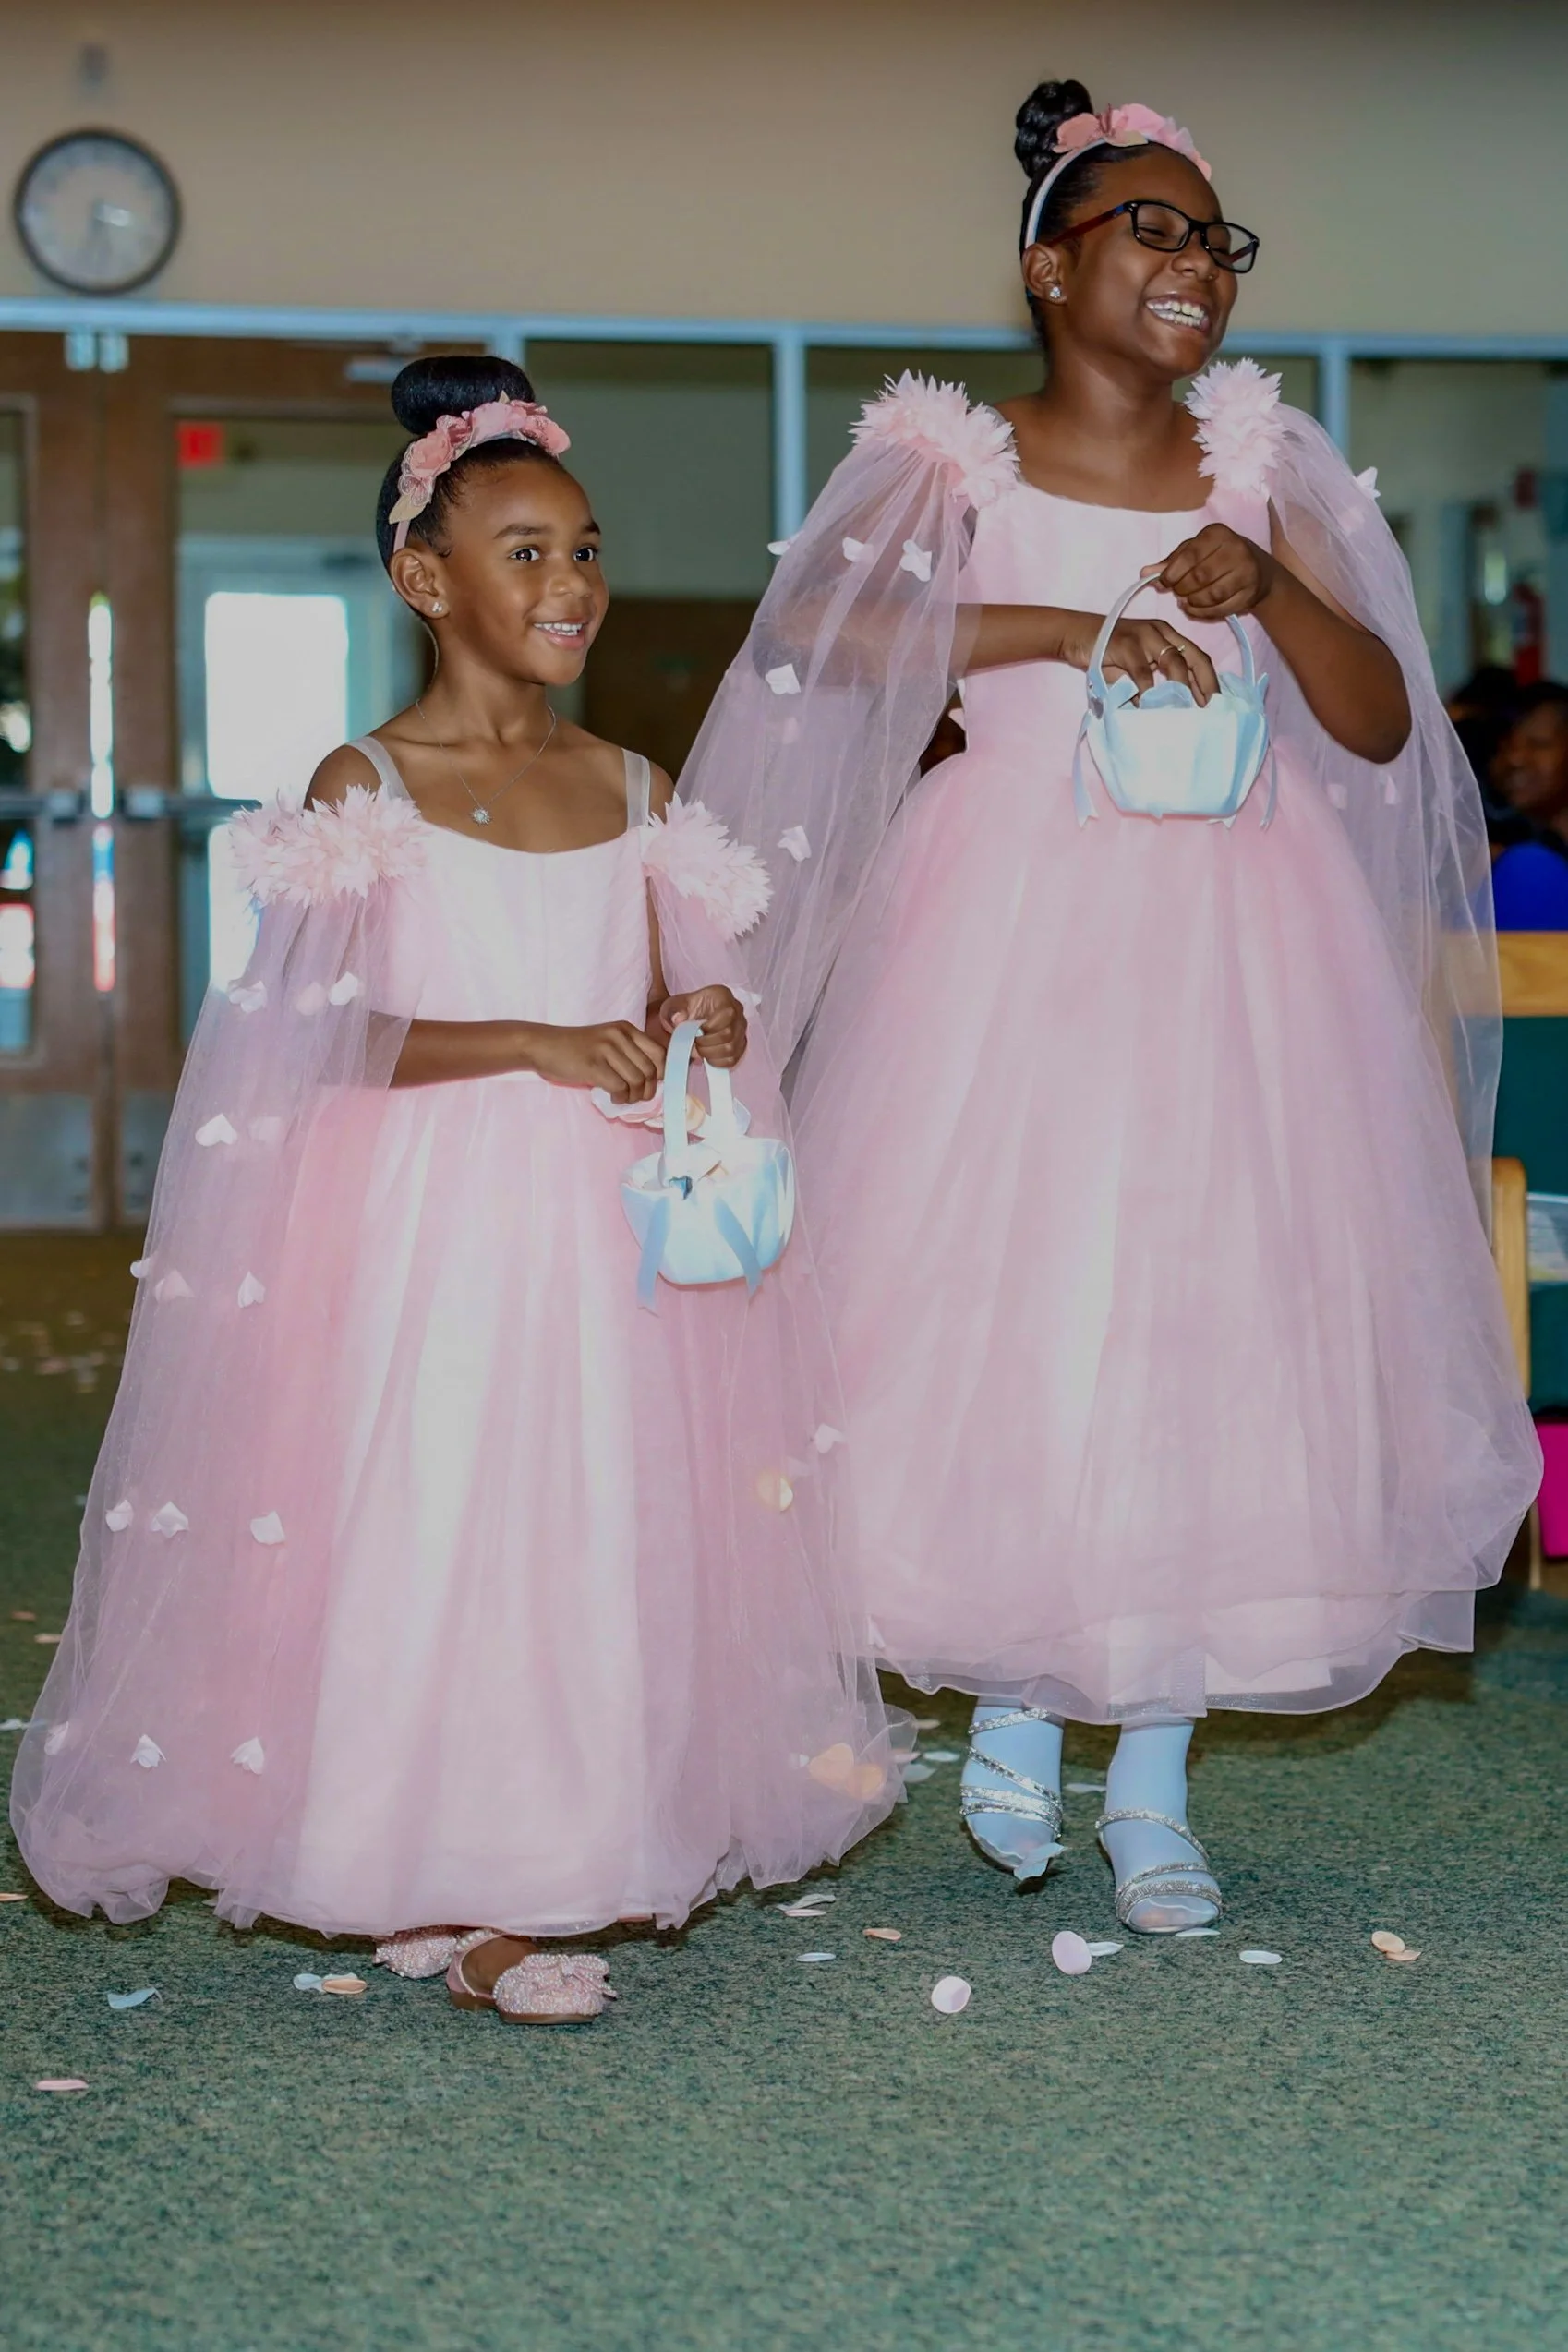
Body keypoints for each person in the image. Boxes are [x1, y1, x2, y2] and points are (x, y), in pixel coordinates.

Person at [686, 85, 1538, 1933]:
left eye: (1214, 242)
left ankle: (1149, 1769)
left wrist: (1272, 586)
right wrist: (1065, 632)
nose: (1192, 268)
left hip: (1245, 935)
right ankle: (1014, 1693)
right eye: (1149, 231)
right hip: (1008, 922)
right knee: (1022, 1293)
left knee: (1215, 1314)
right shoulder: (951, 461)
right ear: (1048, 266)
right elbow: (821, 638)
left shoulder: (1261, 462)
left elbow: (1378, 723)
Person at [11, 356, 899, 2022]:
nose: (571, 584)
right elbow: (309, 1038)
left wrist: (698, 1021)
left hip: (597, 1225)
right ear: (426, 580)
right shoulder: (369, 785)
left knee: (581, 1513)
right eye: (526, 552)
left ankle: (527, 1853)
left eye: (584, 549)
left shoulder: (633, 788)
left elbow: (680, 991)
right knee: (427, 1510)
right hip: (422, 1220)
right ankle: (433, 1870)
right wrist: (530, 1040)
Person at [1488, 681, 1568, 927]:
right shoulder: (1501, 855)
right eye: (1507, 746)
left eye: (1538, 744)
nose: (1514, 759)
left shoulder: (1530, 869)